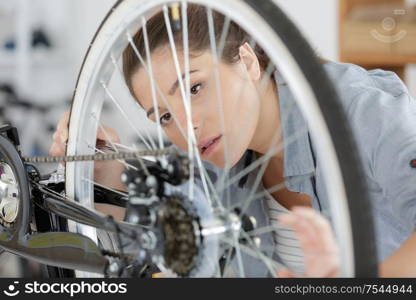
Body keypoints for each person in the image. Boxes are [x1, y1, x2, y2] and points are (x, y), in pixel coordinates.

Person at [50, 5, 416, 277]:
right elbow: (155, 245)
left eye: (195, 88)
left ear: (246, 60)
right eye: (164, 116)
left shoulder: (360, 110)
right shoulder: (212, 156)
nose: (187, 126)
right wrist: (105, 176)